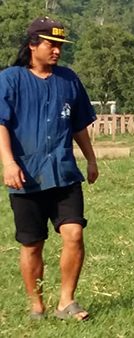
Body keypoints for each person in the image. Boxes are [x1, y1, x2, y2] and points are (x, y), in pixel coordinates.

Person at [0, 16, 98, 321]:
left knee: (74, 234)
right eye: (50, 45)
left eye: (59, 46)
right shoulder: (10, 79)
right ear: (32, 45)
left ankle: (66, 302)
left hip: (64, 172)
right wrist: (8, 162)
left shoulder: (68, 80)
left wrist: (91, 159)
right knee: (32, 244)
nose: (56, 51)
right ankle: (36, 306)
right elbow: (1, 123)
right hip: (25, 175)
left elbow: (79, 125)